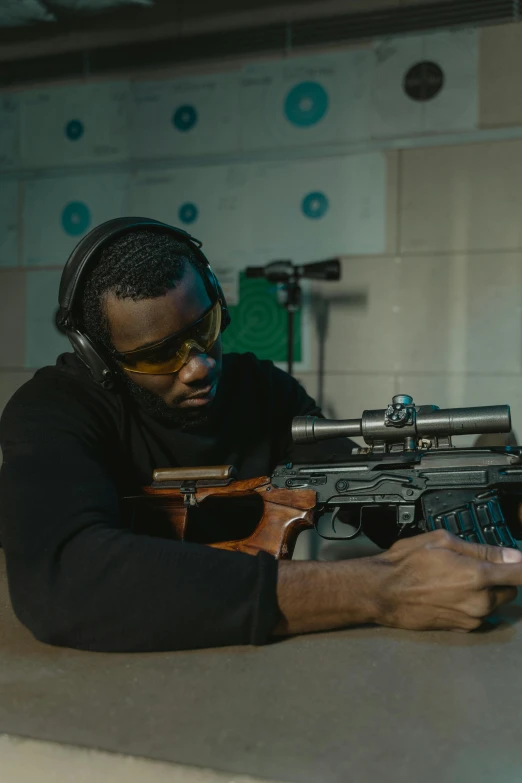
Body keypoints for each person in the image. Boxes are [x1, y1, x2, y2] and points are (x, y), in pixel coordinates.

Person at [1, 218, 522, 654]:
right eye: (160, 355)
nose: (200, 366)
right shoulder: (53, 411)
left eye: (205, 329)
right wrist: (374, 589)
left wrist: (484, 498)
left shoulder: (266, 393)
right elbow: (65, 580)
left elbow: (384, 500)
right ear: (102, 358)